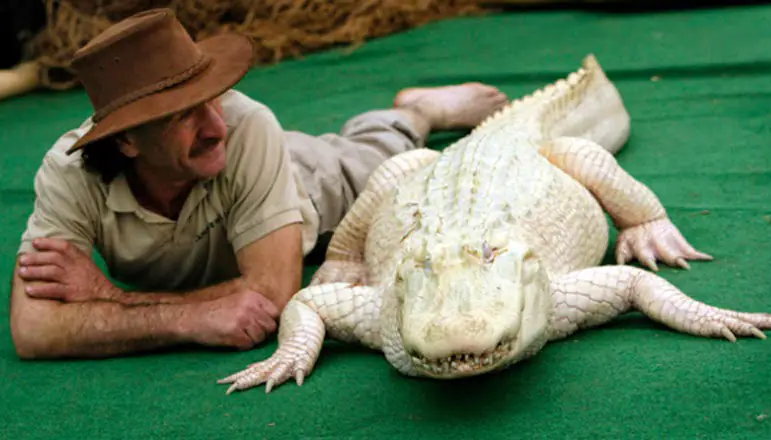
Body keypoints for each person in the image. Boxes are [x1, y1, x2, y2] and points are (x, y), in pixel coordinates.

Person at [9, 8, 508, 359]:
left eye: (214, 99)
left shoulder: (243, 126)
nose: (215, 126)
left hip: (307, 184)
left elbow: (272, 296)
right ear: (127, 143)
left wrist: (111, 301)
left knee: (389, 157)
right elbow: (32, 330)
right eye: (183, 116)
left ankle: (417, 112)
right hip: (258, 175)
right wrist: (188, 319)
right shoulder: (66, 172)